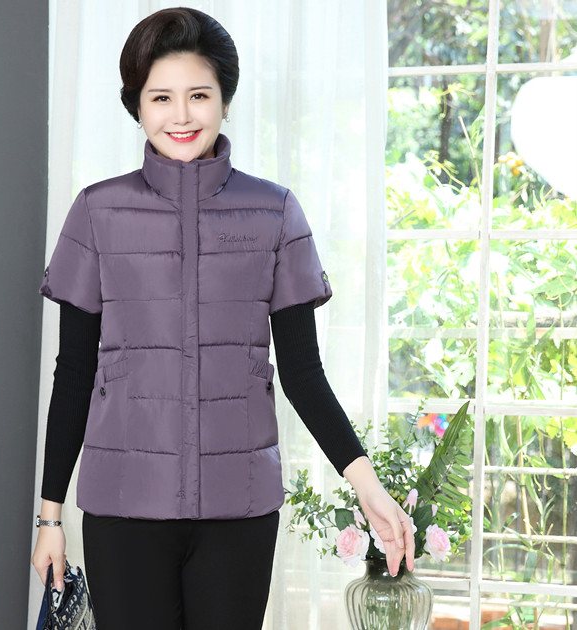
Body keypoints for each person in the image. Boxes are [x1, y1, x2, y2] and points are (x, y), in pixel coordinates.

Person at [31, 7, 415, 630]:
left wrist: (368, 489)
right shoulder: (97, 213)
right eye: (161, 97)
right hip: (123, 510)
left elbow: (303, 373)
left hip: (239, 513)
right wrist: (50, 517)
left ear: (225, 101)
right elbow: (74, 373)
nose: (181, 115)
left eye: (199, 95)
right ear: (137, 106)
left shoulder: (275, 213)